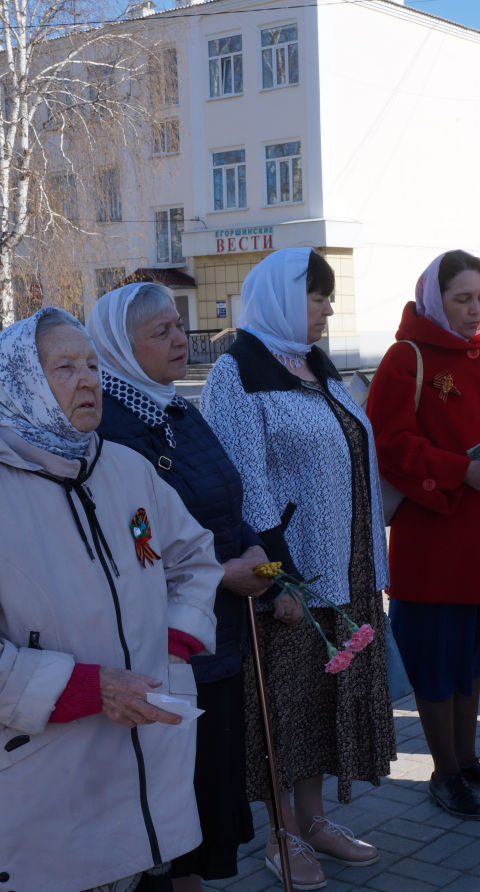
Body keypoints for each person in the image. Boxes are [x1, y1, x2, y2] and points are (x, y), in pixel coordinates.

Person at [0, 308, 221, 892]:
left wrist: (171, 645)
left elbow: (194, 556)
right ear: (19, 381)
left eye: (93, 364)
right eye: (65, 367)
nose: (90, 380)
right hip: (47, 780)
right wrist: (83, 689)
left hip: (146, 761)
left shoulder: (125, 468)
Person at [202, 248, 394, 889]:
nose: (329, 309)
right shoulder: (238, 372)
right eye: (318, 296)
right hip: (293, 580)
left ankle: (313, 821)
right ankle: (280, 832)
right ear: (284, 299)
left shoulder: (314, 365)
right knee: (281, 710)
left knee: (320, 704)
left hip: (346, 570)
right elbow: (240, 484)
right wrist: (277, 579)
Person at [88, 283, 274, 891]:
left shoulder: (173, 405)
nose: (179, 339)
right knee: (173, 795)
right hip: (166, 643)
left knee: (207, 787)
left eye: (177, 324)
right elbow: (132, 545)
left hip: (217, 632)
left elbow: (222, 492)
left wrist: (254, 549)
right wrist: (225, 573)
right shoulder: (109, 429)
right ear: (121, 346)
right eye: (161, 332)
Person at [367, 250, 480, 822]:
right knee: (437, 662)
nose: (475, 309)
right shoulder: (407, 357)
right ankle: (444, 773)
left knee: (470, 658)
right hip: (436, 540)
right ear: (434, 300)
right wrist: (457, 469)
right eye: (461, 298)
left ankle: (467, 760)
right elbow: (389, 442)